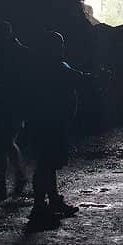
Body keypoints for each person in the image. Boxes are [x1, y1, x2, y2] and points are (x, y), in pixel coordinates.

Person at [24, 31, 92, 228]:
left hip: (41, 121)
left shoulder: (36, 66)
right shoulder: (56, 66)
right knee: (45, 164)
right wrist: (98, 77)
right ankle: (39, 206)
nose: (62, 47)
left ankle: (52, 200)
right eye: (59, 44)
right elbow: (80, 79)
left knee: (48, 163)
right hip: (52, 123)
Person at [0, 20, 29, 203]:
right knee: (6, 142)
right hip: (9, 104)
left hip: (9, 105)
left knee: (3, 143)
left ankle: (4, 185)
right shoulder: (19, 52)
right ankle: (18, 177)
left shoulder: (8, 53)